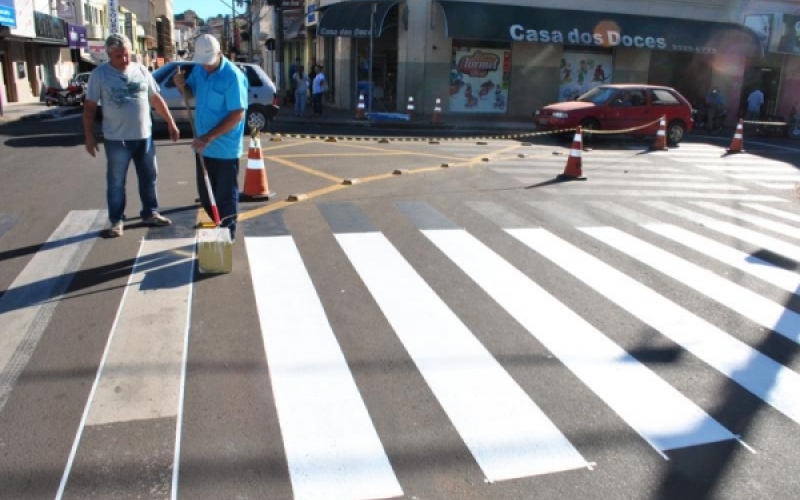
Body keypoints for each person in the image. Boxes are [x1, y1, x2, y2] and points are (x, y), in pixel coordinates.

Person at [83, 33, 179, 238]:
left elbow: (156, 99)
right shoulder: (99, 75)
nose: (124, 60)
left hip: (144, 136)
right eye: (119, 56)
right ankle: (117, 220)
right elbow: (90, 107)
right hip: (117, 139)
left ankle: (150, 213)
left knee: (149, 177)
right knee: (116, 181)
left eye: (126, 55)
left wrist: (171, 123)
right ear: (109, 55)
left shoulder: (141, 70)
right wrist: (89, 136)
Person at [173, 34, 248, 242]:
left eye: (209, 63)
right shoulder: (199, 69)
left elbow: (237, 114)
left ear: (220, 54)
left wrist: (209, 136)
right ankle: (218, 226)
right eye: (202, 63)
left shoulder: (232, 76)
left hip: (224, 148)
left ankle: (227, 237)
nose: (205, 67)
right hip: (203, 147)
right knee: (206, 196)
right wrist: (182, 86)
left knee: (225, 197)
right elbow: (190, 94)